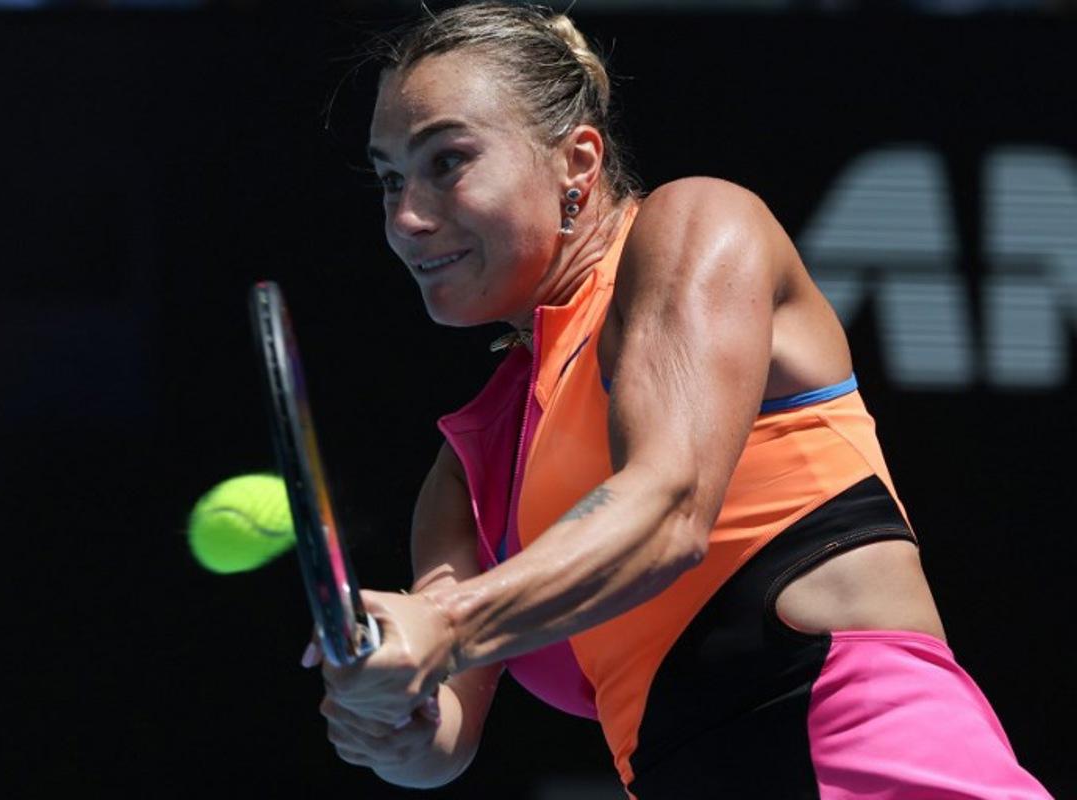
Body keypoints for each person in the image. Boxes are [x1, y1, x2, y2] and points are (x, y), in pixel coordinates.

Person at [302, 3, 1052, 797]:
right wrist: (387, 713)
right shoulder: (468, 470)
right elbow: (439, 740)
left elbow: (670, 507)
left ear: (577, 163)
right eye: (390, 179)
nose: (408, 217)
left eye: (447, 161)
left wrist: (444, 629)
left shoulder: (697, 225)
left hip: (870, 766)